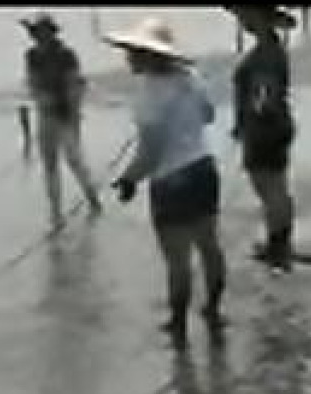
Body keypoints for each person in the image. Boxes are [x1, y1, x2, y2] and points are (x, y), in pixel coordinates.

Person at [105, 18, 227, 351]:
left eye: (133, 52)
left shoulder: (148, 96)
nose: (128, 58)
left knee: (177, 259)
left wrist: (129, 179)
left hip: (171, 180)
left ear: (148, 55)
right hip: (202, 168)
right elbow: (208, 116)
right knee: (209, 245)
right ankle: (213, 310)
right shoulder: (191, 79)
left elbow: (151, 153)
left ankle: (178, 325)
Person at [226, 5, 298, 272]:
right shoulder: (272, 49)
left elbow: (265, 93)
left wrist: (251, 117)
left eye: (243, 14)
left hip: (264, 129)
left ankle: (278, 247)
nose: (241, 19)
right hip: (275, 126)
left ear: (257, 16)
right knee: (276, 187)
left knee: (269, 188)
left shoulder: (265, 54)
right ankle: (279, 243)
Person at [21, 12, 102, 229]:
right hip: (45, 114)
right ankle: (55, 213)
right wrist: (41, 98)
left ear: (51, 33)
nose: (40, 37)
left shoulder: (66, 55)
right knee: (49, 165)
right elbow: (32, 83)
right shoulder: (31, 56)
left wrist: (72, 112)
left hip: (66, 114)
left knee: (74, 160)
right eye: (36, 33)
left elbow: (74, 83)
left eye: (43, 32)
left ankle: (92, 198)